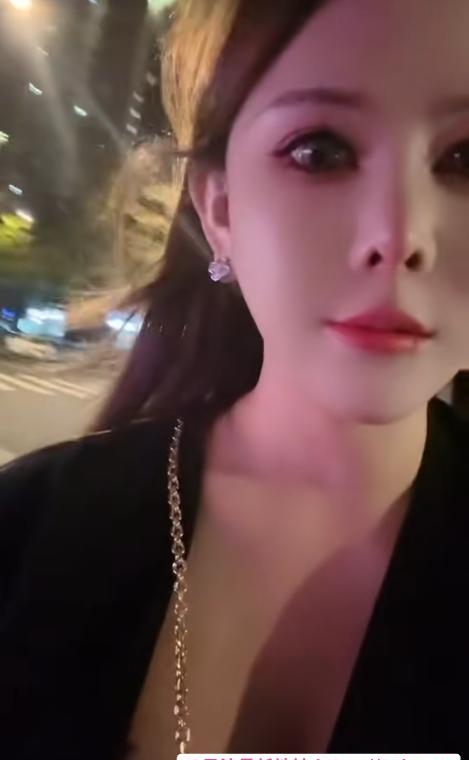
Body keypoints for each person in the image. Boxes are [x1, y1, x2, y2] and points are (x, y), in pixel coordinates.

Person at [1, 0, 469, 757]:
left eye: (465, 159)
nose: (399, 236)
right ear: (219, 210)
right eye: (319, 151)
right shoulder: (26, 535)